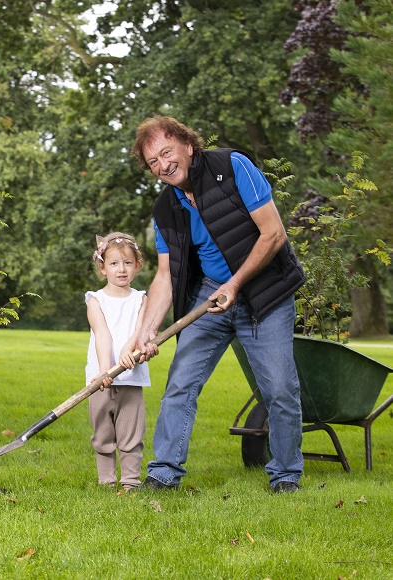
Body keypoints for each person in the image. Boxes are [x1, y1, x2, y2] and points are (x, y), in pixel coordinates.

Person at [124, 115, 305, 493]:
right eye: (153, 162)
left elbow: (274, 234)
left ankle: (286, 475)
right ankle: (163, 473)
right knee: (180, 383)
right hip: (209, 298)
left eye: (167, 153)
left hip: (264, 292)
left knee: (279, 389)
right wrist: (146, 332)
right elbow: (164, 277)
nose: (163, 165)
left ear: (188, 146)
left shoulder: (232, 166)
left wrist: (235, 284)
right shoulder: (165, 210)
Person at [85, 232, 150, 490]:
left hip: (131, 379)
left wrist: (129, 346)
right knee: (103, 433)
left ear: (137, 266)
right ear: (102, 267)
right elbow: (102, 334)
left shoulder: (142, 299)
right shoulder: (95, 300)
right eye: (113, 263)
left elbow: (140, 329)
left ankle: (131, 483)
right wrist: (104, 371)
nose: (121, 269)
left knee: (131, 434)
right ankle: (107, 483)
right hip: (101, 379)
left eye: (127, 263)